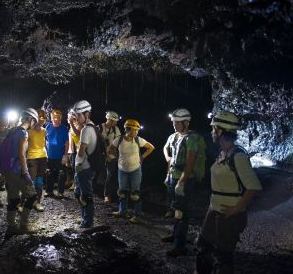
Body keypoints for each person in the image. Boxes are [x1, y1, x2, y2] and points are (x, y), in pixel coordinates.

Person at [195, 111, 262, 274]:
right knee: (203, 244)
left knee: (223, 256)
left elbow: (253, 186)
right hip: (214, 209)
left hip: (229, 214)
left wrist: (236, 210)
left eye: (214, 129)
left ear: (220, 131)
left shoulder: (238, 156)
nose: (212, 132)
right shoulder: (224, 152)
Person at [161, 108, 198, 257]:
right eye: (173, 122)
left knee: (182, 212)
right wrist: (168, 158)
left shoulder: (191, 138)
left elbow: (190, 162)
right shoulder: (174, 136)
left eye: (177, 122)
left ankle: (180, 245)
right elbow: (165, 148)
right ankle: (175, 234)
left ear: (185, 122)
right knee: (174, 207)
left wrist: (182, 182)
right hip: (172, 175)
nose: (174, 125)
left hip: (185, 178)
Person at [109, 119, 155, 223]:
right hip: (122, 169)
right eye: (134, 130)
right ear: (127, 130)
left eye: (137, 131)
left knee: (135, 194)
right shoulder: (119, 140)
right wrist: (114, 156)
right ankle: (122, 211)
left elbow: (151, 147)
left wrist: (142, 157)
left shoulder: (139, 140)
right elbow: (110, 148)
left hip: (135, 170)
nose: (136, 132)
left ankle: (137, 215)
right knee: (122, 192)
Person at [5, 108, 39, 235]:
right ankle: (24, 225)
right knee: (32, 196)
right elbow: (21, 154)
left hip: (8, 170)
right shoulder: (23, 133)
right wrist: (25, 173)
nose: (34, 125)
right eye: (34, 122)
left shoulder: (13, 130)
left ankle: (11, 226)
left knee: (13, 199)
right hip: (18, 171)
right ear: (30, 119)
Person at [73, 100, 97, 228]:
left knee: (86, 195)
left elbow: (81, 151)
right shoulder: (93, 127)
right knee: (80, 193)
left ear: (86, 114)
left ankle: (87, 222)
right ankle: (84, 218)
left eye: (78, 115)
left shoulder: (86, 130)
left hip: (84, 167)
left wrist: (78, 163)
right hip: (87, 167)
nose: (76, 118)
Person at [45, 109, 69, 198]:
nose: (56, 119)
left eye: (58, 117)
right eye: (54, 117)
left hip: (60, 156)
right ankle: (49, 191)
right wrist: (45, 152)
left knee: (61, 174)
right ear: (51, 118)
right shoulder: (48, 127)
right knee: (49, 173)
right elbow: (45, 140)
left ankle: (60, 192)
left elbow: (67, 142)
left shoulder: (64, 128)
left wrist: (65, 155)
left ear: (61, 118)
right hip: (49, 155)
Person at [27, 109, 48, 212]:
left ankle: (37, 201)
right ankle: (26, 201)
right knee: (31, 181)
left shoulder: (44, 131)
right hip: (32, 158)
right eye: (40, 118)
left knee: (39, 182)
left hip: (43, 158)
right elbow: (24, 146)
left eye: (44, 118)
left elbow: (43, 144)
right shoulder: (29, 131)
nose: (42, 121)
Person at [99, 111, 121, 203]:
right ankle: (91, 192)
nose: (116, 123)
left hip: (111, 156)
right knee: (97, 174)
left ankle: (107, 194)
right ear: (109, 119)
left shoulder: (116, 129)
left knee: (110, 175)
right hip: (100, 155)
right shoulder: (99, 128)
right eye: (114, 121)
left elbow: (118, 142)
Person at [67, 108, 82, 191]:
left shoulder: (79, 125)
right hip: (72, 151)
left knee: (78, 168)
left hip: (79, 151)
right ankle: (75, 182)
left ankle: (77, 184)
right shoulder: (71, 127)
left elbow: (79, 135)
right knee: (73, 167)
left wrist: (72, 124)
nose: (68, 119)